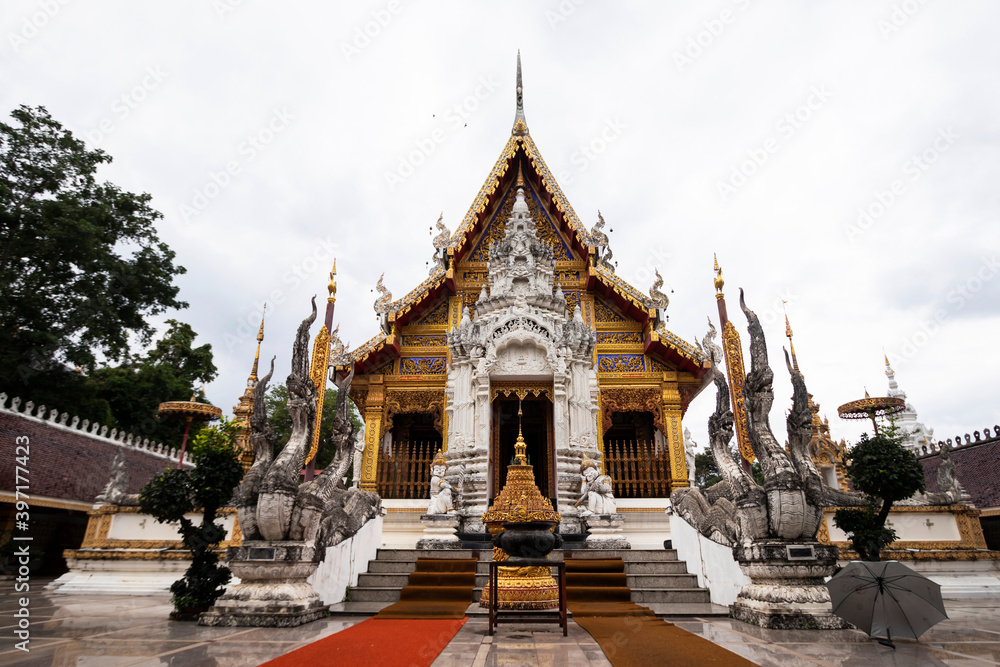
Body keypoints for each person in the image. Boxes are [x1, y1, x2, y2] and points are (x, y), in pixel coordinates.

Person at [427, 450, 455, 514]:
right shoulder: (434, 479)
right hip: (436, 503)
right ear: (432, 470)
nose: (440, 472)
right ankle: (450, 510)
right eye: (437, 470)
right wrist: (454, 489)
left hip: (440, 501)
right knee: (447, 490)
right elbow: (444, 485)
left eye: (442, 470)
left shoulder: (443, 479)